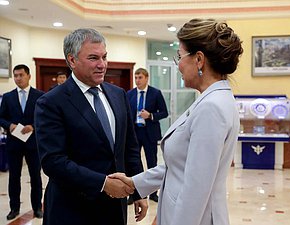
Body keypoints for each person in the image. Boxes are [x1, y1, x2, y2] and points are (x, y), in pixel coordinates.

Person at [110, 18, 243, 225]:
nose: (178, 65)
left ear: (199, 60)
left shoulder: (211, 108)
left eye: (179, 56)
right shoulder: (211, 99)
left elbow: (196, 190)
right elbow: (180, 166)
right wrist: (135, 183)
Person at [34, 28, 148, 225]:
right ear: (72, 60)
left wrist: (138, 190)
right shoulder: (51, 103)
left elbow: (129, 147)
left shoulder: (118, 94)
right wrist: (103, 183)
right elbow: (53, 162)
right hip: (72, 210)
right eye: (94, 58)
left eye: (104, 57)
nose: (102, 65)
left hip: (114, 209)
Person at [0, 64, 44, 220]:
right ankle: (14, 208)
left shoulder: (40, 96)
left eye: (21, 75)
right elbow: (1, 117)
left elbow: (44, 118)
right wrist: (9, 125)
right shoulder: (8, 97)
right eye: (16, 75)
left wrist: (32, 126)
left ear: (29, 76)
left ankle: (37, 207)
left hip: (33, 144)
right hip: (14, 144)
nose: (18, 78)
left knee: (35, 177)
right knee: (14, 177)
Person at [126, 68, 168, 203]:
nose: (137, 80)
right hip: (134, 133)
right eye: (136, 77)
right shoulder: (129, 94)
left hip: (149, 132)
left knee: (152, 162)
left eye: (140, 77)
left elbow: (164, 112)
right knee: (134, 163)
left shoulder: (155, 93)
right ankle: (134, 194)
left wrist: (150, 115)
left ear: (146, 78)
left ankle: (153, 193)